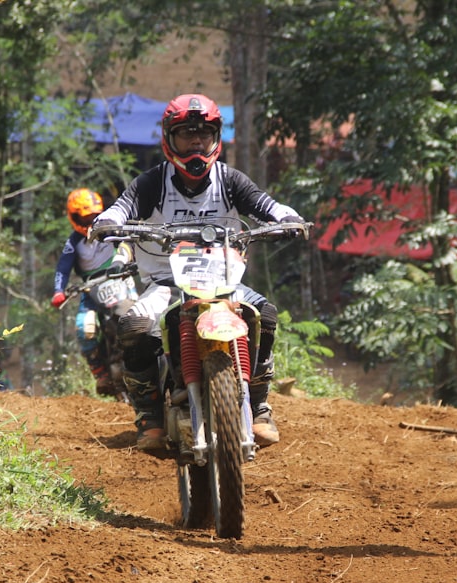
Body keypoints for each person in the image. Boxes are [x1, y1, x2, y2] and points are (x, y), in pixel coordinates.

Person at [90, 93, 304, 455]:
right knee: (135, 327)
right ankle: (148, 415)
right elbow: (121, 207)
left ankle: (258, 405)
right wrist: (108, 221)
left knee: (264, 315)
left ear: (216, 138)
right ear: (169, 139)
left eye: (204, 134)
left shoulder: (231, 180)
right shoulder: (152, 183)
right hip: (165, 284)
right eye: (186, 134)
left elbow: (266, 205)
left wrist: (288, 218)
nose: (196, 143)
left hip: (223, 282)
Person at [50, 188, 118, 396]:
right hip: (90, 289)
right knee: (84, 328)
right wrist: (58, 291)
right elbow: (63, 267)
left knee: (140, 318)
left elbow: (131, 246)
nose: (90, 221)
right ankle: (101, 375)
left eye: (94, 216)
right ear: (74, 217)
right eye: (85, 217)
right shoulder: (73, 242)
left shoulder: (113, 230)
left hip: (120, 281)